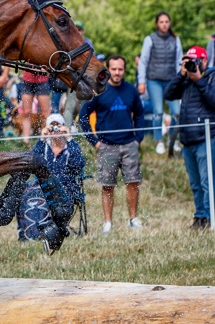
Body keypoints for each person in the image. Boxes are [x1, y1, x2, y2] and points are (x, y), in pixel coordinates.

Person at [79, 55, 145, 234]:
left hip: (129, 144)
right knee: (107, 185)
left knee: (133, 182)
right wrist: (95, 142)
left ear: (124, 70)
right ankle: (107, 222)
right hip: (106, 146)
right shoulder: (99, 91)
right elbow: (83, 117)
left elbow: (139, 115)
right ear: (107, 69)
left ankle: (133, 218)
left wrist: (138, 138)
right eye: (114, 69)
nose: (117, 72)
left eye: (120, 69)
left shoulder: (131, 90)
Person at [164, 46, 215, 230]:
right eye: (188, 62)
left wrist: (199, 80)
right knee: (195, 184)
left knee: (207, 182)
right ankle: (199, 216)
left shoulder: (211, 77)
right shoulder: (185, 80)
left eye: (195, 61)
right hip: (187, 139)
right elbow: (168, 94)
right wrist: (181, 74)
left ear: (204, 61)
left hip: (206, 138)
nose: (192, 65)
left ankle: (210, 217)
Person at [137, 12, 182, 155]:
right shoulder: (149, 39)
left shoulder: (176, 40)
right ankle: (159, 142)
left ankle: (171, 140)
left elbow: (179, 62)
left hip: (171, 80)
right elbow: (143, 61)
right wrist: (142, 81)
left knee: (176, 112)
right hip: (154, 80)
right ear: (157, 24)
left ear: (170, 23)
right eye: (161, 22)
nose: (164, 24)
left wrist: (180, 80)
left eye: (167, 21)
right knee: (158, 112)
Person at [20, 70, 51, 144]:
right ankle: (25, 142)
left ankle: (48, 140)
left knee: (45, 114)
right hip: (27, 80)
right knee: (26, 112)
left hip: (42, 80)